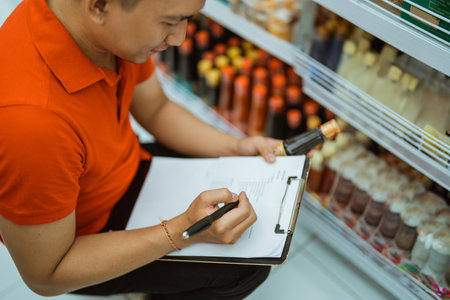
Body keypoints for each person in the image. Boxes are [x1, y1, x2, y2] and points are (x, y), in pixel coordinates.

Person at [0, 0, 281, 299]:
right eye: (170, 21)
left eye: (187, 19)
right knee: (246, 267)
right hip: (84, 238)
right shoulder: (29, 124)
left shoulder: (107, 32)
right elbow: (47, 275)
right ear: (99, 6)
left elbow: (156, 109)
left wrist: (234, 147)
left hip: (122, 169)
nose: (179, 38)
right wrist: (181, 232)